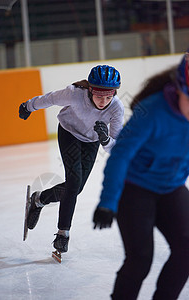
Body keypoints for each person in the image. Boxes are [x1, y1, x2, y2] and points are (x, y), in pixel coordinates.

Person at [93, 51, 189, 299]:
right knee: (140, 259)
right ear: (179, 88)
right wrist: (108, 202)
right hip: (135, 188)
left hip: (172, 187)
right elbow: (120, 156)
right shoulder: (152, 112)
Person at [19, 65, 124, 254]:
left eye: (109, 96)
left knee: (77, 187)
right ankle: (63, 233)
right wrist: (28, 106)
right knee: (74, 182)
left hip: (92, 140)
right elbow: (50, 99)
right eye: (100, 95)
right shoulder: (75, 94)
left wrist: (106, 139)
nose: (104, 101)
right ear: (91, 89)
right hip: (69, 133)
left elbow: (116, 147)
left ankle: (39, 199)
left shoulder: (117, 108)